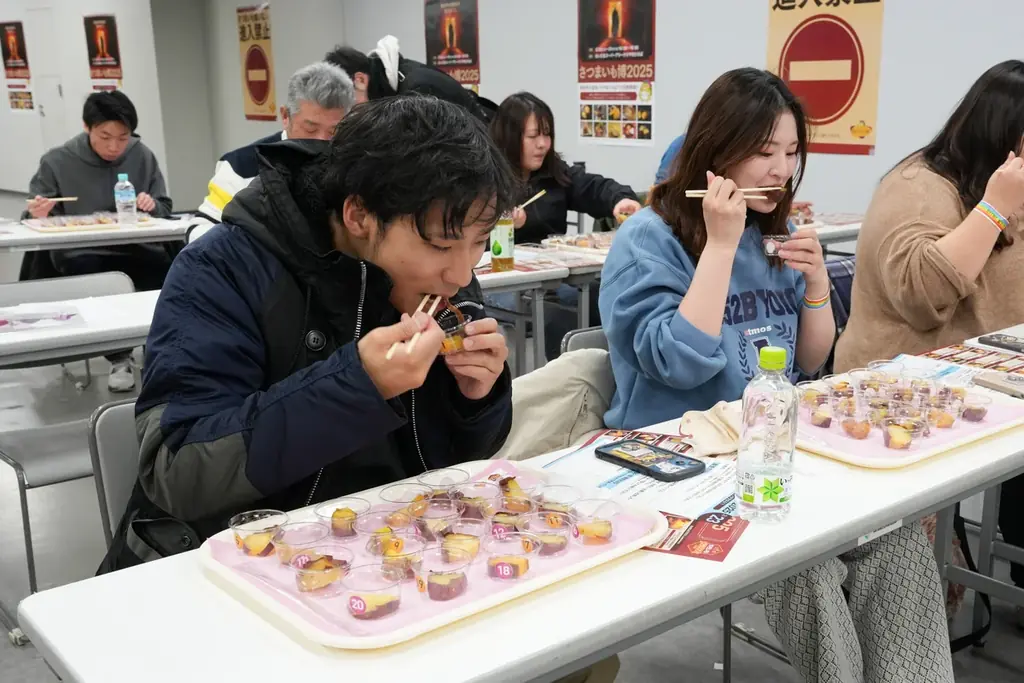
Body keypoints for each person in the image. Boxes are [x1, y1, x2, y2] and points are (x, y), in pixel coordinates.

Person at [600, 67, 955, 683]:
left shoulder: (773, 234)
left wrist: (816, 285)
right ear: (715, 148)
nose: (780, 170)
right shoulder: (647, 238)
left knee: (894, 538)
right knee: (809, 564)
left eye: (791, 153)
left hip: (770, 454)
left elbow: (810, 362)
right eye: (763, 152)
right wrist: (718, 246)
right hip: (674, 462)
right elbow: (676, 363)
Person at [835, 59, 1024, 626]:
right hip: (894, 396)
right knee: (909, 584)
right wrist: (995, 206)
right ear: (1005, 135)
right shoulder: (921, 186)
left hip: (986, 388)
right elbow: (924, 291)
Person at [22, 90, 173, 392]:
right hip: (81, 250)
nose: (114, 146)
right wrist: (35, 211)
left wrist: (151, 205)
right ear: (87, 127)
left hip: (136, 246)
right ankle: (120, 357)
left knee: (169, 270)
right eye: (105, 137)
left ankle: (163, 354)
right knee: (98, 276)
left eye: (123, 137)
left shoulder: (142, 155)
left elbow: (164, 206)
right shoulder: (57, 160)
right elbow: (31, 213)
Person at [489, 91, 641, 359]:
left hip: (553, 277)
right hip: (501, 282)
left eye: (547, 135)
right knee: (560, 309)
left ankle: (608, 367)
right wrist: (502, 222)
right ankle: (565, 375)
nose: (542, 144)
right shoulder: (487, 178)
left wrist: (620, 200)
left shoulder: (553, 174)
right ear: (510, 137)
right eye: (533, 136)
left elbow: (594, 187)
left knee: (603, 293)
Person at [198, 61, 354, 222]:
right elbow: (200, 230)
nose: (321, 141)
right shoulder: (240, 168)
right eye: (310, 129)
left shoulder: (355, 166)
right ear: (286, 116)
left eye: (333, 131)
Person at [325, 35, 493, 121]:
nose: (349, 112)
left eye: (348, 102)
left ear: (360, 80)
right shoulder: (393, 80)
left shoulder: (416, 92)